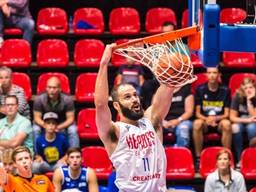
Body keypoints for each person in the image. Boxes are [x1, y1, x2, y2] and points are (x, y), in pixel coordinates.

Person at [95, 43, 188, 192]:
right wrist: (104, 63)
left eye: (135, 95)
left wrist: (171, 65)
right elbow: (100, 104)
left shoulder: (152, 120)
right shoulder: (115, 132)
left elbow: (168, 86)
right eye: (127, 97)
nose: (134, 99)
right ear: (117, 106)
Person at [193, 67, 232, 169]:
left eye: (214, 72)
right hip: (205, 121)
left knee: (227, 124)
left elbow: (227, 114)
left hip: (219, 121)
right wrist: (207, 119)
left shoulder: (225, 90)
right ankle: (198, 158)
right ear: (206, 75)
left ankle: (227, 157)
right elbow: (197, 113)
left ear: (219, 75)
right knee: (197, 123)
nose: (212, 75)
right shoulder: (200, 89)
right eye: (209, 72)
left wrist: (215, 119)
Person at [33, 76, 79, 148]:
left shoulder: (67, 100)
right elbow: (37, 118)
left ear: (60, 89)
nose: (51, 90)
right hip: (45, 123)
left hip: (62, 123)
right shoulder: (39, 99)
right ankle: (37, 155)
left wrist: (58, 127)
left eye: (54, 88)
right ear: (46, 88)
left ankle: (73, 154)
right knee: (35, 129)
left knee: (72, 130)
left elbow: (70, 119)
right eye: (49, 87)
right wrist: (47, 126)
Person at [230, 77, 256, 165]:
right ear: (242, 89)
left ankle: (252, 158)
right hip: (242, 120)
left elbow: (254, 116)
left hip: (253, 122)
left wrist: (250, 100)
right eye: (246, 88)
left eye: (251, 87)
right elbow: (232, 117)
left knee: (252, 128)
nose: (248, 90)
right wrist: (247, 120)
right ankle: (239, 159)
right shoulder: (237, 96)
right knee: (235, 127)